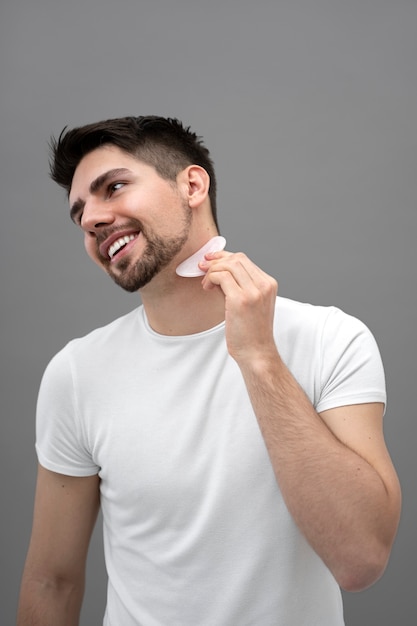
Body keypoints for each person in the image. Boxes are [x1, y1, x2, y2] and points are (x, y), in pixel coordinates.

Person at [17, 115, 401, 626]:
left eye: (113, 188)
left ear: (192, 185)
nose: (91, 218)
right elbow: (52, 581)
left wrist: (260, 358)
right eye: (80, 212)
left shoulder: (331, 340)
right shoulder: (76, 373)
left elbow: (361, 560)